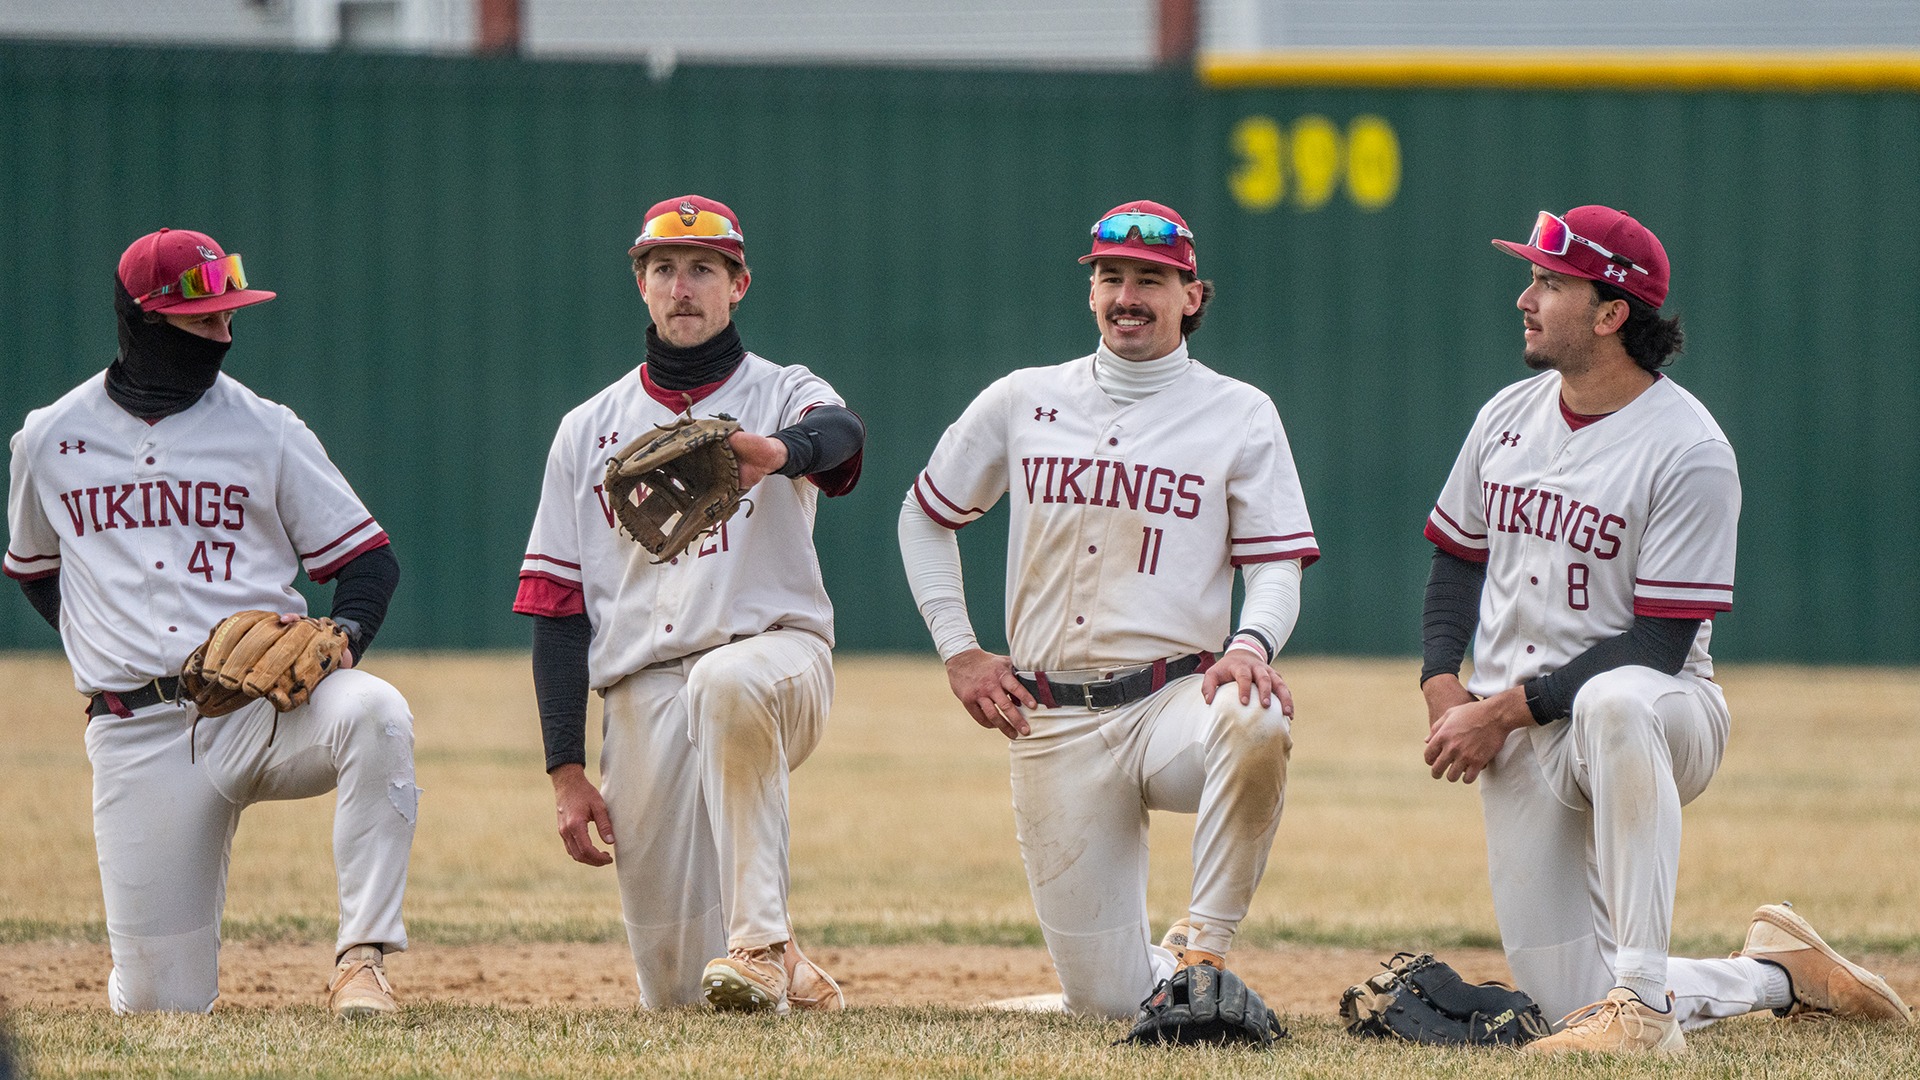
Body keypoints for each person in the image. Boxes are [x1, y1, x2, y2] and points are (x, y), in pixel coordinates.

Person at [1421, 205, 1913, 1053]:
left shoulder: (1689, 449)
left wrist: (1498, 711)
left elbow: (1657, 643)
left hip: (1662, 712)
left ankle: (1645, 1007)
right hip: (1521, 725)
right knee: (1563, 996)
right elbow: (1457, 556)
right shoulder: (1506, 414)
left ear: (1613, 314)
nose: (1524, 298)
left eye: (1549, 282)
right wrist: (1439, 681)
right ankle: (1778, 975)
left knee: (1615, 700)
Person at [897, 200, 1316, 1018]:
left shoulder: (1239, 411)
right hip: (1053, 718)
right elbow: (924, 514)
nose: (1129, 296)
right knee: (1110, 1007)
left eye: (1151, 280)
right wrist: (959, 648)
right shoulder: (1024, 399)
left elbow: (1275, 564)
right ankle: (1151, 972)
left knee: (1254, 718)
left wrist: (1252, 644)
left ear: (1192, 296)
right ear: (1090, 293)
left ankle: (1204, 948)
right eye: (1111, 277)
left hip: (1174, 703)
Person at [5, 228, 416, 1017]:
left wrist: (342, 641)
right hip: (137, 734)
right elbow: (33, 570)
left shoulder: (268, 429)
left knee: (375, 712)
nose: (224, 334)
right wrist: (102, 642)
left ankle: (362, 960)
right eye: (204, 321)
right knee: (163, 1007)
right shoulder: (50, 439)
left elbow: (369, 564)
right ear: (145, 321)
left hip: (267, 711)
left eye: (231, 317)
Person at [515, 195, 864, 1013]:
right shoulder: (587, 429)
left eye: (703, 268)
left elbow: (844, 437)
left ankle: (759, 941)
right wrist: (566, 768)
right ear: (641, 283)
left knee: (727, 683)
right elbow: (558, 607)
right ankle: (789, 969)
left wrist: (781, 453)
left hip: (777, 661)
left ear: (738, 283)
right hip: (642, 691)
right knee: (678, 1000)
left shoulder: (781, 389)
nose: (683, 286)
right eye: (663, 268)